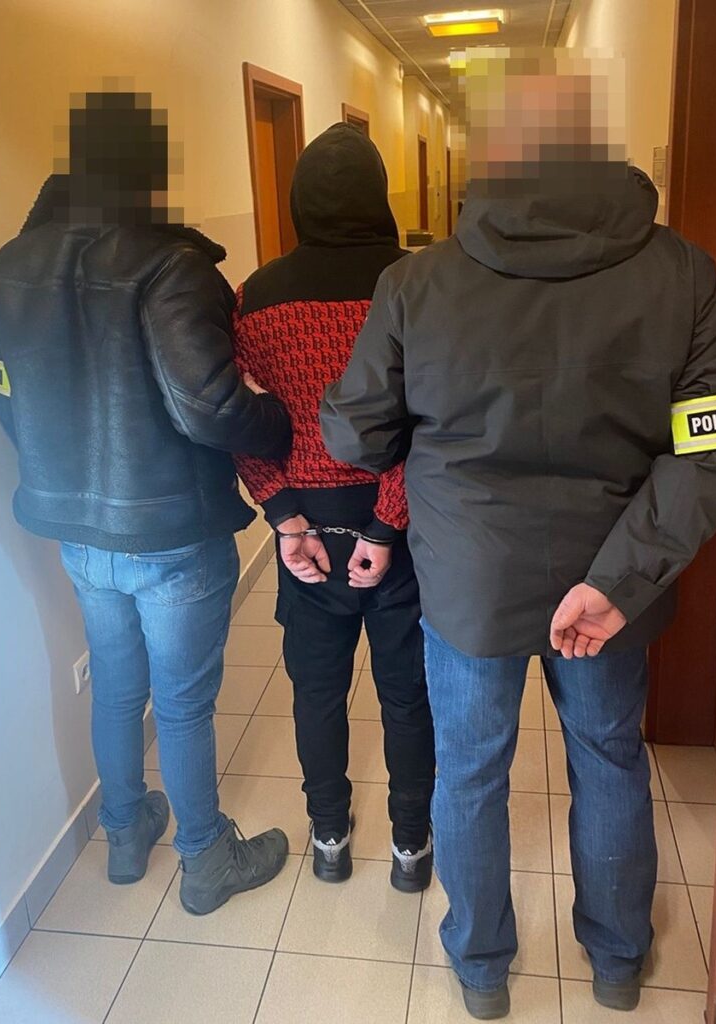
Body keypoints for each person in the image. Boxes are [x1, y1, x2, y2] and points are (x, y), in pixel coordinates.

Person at [321, 54, 716, 1019]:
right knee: (607, 756)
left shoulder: (415, 282)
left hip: (469, 581)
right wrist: (618, 582)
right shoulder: (681, 272)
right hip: (612, 582)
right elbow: (709, 446)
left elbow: (355, 435)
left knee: (471, 771)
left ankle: (479, 967)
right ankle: (616, 959)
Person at [0, 90, 293, 916]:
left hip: (77, 530)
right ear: (148, 171)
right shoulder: (170, 265)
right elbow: (210, 407)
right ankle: (206, 859)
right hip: (171, 530)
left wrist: (56, 475)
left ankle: (124, 833)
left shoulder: (15, 262)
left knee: (118, 685)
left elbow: (6, 393)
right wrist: (280, 423)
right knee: (182, 701)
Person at [231, 123, 435, 890]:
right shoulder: (416, 284)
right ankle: (410, 846)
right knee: (406, 695)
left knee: (315, 692)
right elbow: (431, 423)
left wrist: (283, 515)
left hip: (306, 532)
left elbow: (237, 417)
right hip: (401, 531)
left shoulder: (256, 297)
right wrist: (385, 524)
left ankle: (328, 838)